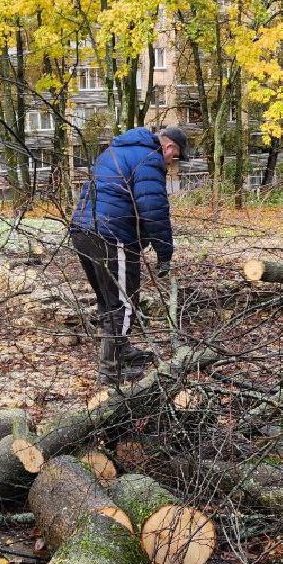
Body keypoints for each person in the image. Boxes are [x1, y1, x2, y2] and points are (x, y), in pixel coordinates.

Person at [69, 125, 187, 384]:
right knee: (123, 303)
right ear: (169, 147)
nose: (171, 162)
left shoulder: (114, 150)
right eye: (174, 156)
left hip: (82, 230)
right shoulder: (149, 158)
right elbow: (154, 209)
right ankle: (111, 372)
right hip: (112, 234)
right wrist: (164, 253)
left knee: (108, 299)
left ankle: (121, 350)